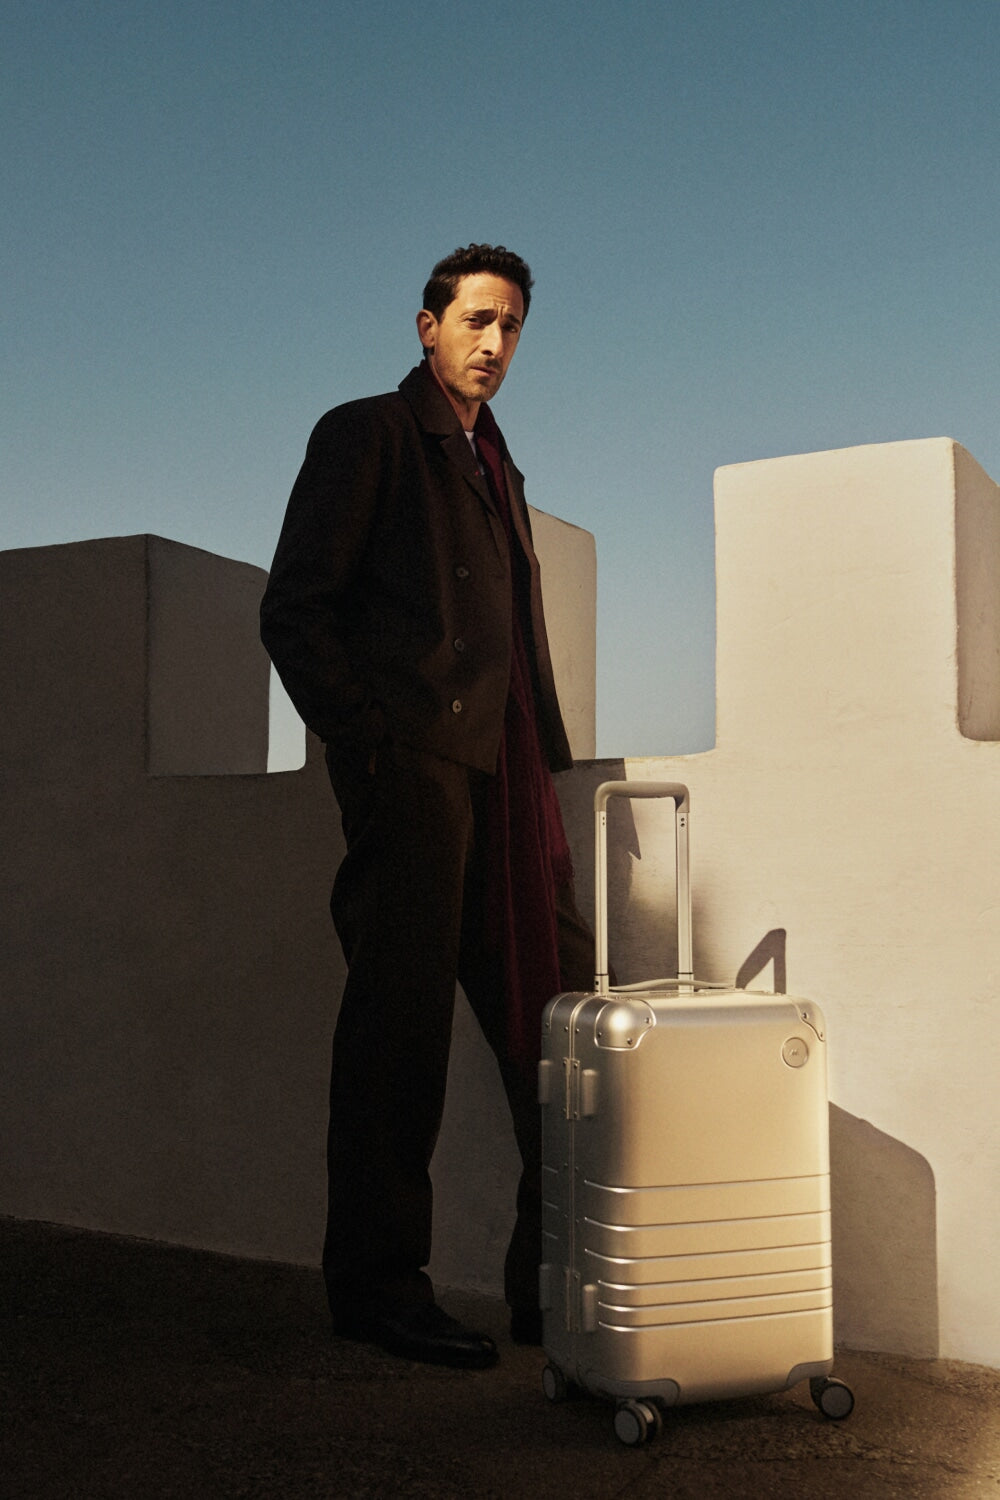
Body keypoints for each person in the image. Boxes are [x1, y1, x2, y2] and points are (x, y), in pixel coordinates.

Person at [260, 244, 595, 1370]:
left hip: (507, 792)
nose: (493, 344)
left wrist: (543, 763)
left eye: (510, 326)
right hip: (418, 779)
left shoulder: (499, 467)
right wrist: (376, 751)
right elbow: (294, 610)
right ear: (425, 326)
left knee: (559, 1030)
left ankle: (550, 1287)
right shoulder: (368, 433)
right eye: (475, 321)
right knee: (394, 1046)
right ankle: (378, 1291)